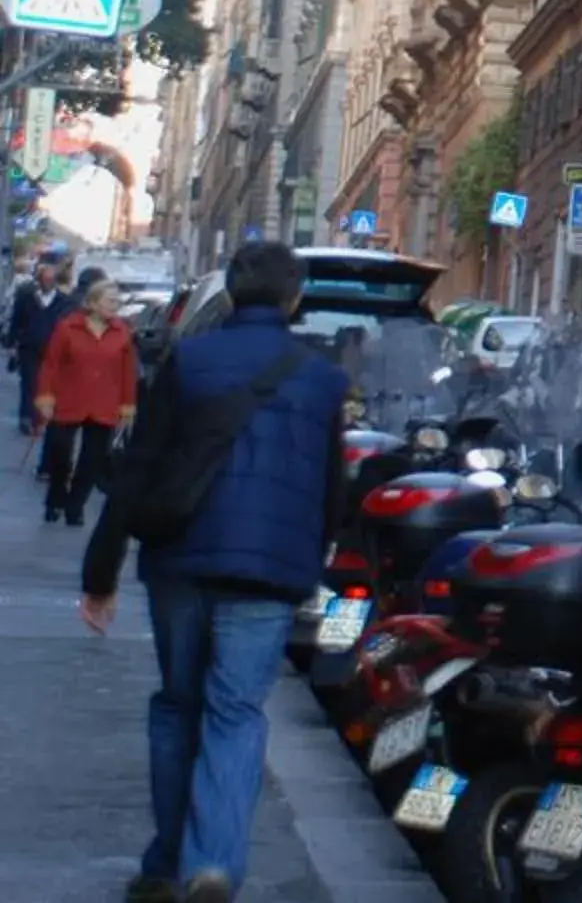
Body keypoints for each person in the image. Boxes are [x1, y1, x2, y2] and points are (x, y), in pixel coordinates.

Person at [80, 241, 352, 903]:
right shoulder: (322, 378)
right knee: (235, 712)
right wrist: (313, 559)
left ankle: (166, 862)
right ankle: (213, 864)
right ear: (296, 299)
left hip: (181, 559)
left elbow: (140, 466)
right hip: (268, 573)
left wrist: (101, 571)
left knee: (179, 705)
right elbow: (332, 488)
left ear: (229, 293)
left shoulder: (189, 360)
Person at [38, 274, 140, 523]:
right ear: (92, 303)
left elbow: (128, 372)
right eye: (109, 301)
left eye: (117, 301)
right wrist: (46, 396)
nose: (115, 306)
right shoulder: (67, 327)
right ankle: (56, 496)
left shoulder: (122, 333)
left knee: (92, 460)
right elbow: (51, 365)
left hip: (104, 402)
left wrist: (127, 406)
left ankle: (76, 505)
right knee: (60, 453)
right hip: (68, 399)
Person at [11, 250, 73, 433]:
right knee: (29, 382)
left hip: (53, 348)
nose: (47, 283)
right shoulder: (26, 297)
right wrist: (12, 343)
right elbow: (17, 321)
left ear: (55, 282)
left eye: (50, 280)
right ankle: (26, 418)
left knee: (45, 384)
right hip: (29, 346)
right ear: (39, 280)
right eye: (44, 279)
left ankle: (39, 420)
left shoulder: (63, 301)